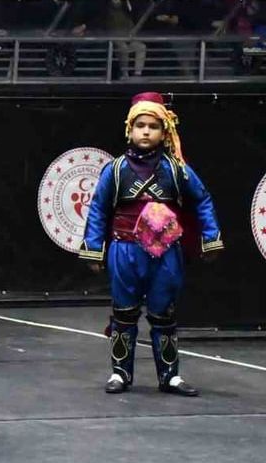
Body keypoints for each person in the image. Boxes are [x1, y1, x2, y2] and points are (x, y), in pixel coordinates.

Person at [79, 93, 223, 397]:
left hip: (166, 254)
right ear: (130, 129)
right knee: (124, 313)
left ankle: (170, 375)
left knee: (164, 314)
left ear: (164, 131)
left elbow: (202, 200)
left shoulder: (177, 169)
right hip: (125, 251)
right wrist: (93, 248)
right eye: (140, 125)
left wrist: (210, 237)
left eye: (153, 126)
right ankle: (120, 373)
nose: (146, 131)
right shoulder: (115, 170)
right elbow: (99, 209)